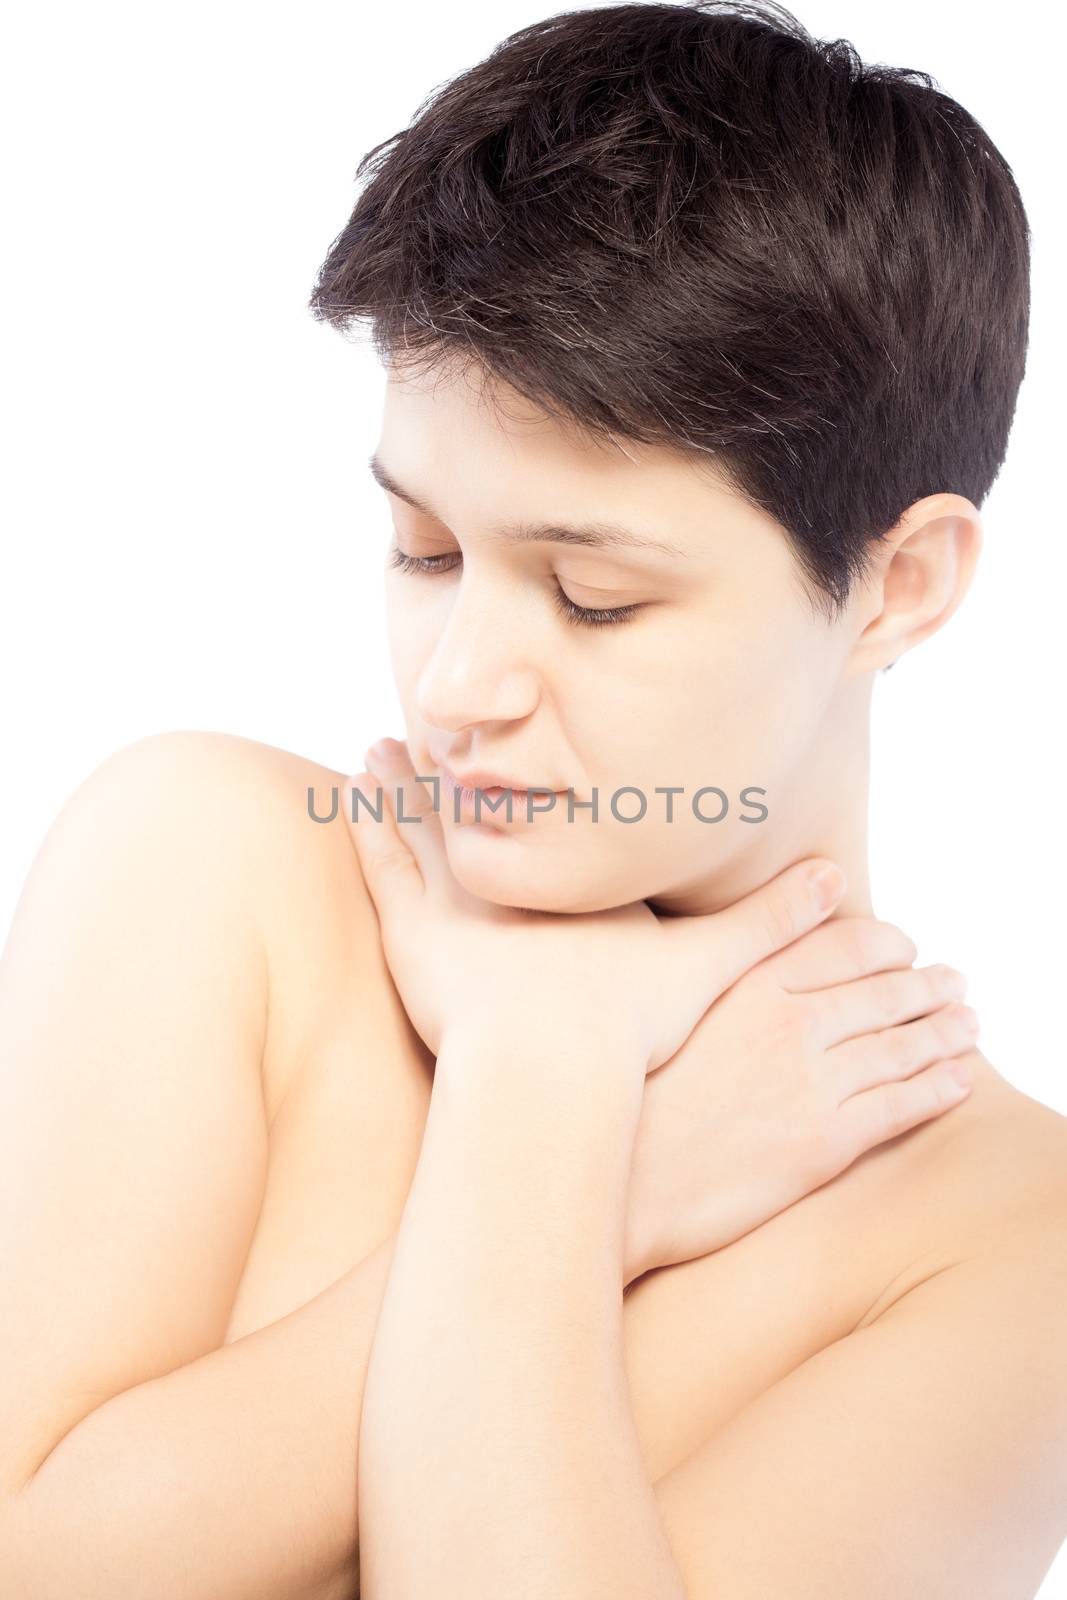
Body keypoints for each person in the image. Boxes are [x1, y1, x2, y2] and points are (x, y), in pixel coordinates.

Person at [1, 2, 1064, 1596]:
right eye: (424, 552)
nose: (450, 688)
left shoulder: (1010, 1245)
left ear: (898, 585)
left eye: (590, 597)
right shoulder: (214, 870)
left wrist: (535, 1082)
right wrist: (589, 1158)